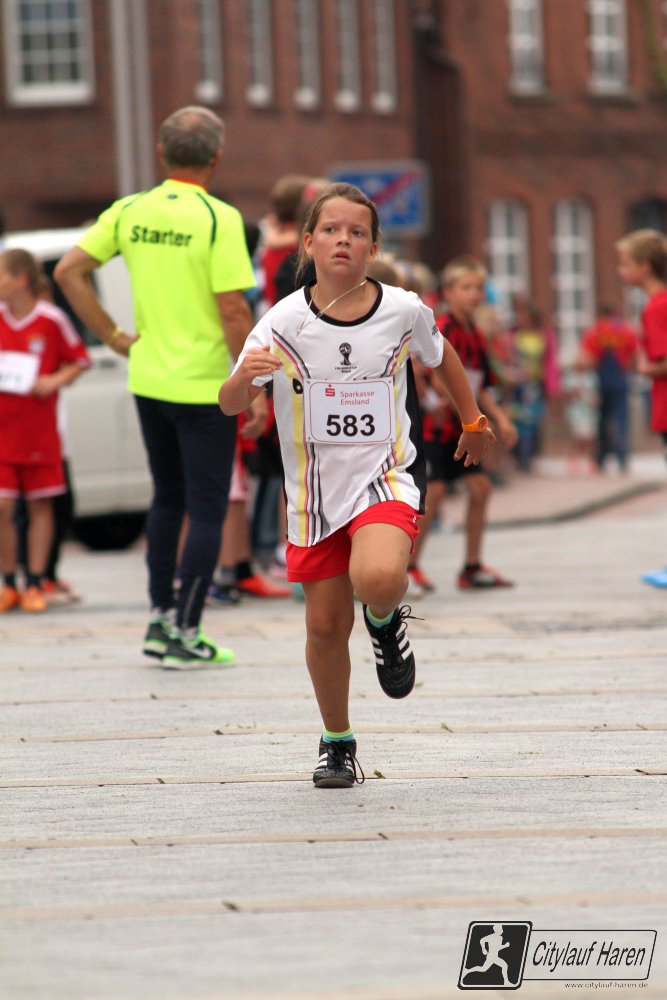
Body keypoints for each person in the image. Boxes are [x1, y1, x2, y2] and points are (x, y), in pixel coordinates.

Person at [218, 183, 494, 788]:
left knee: (379, 577)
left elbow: (442, 357)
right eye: (331, 230)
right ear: (308, 242)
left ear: (373, 246)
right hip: (314, 493)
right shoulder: (283, 320)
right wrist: (244, 379)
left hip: (385, 475)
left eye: (357, 232)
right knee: (323, 628)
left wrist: (473, 420)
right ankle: (337, 742)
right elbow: (230, 401)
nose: (343, 240)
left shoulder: (402, 309)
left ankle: (384, 618)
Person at [54, 106, 260, 667]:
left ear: (162, 153)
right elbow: (234, 309)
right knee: (208, 505)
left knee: (167, 498)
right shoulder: (219, 218)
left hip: (148, 377)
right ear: (217, 156)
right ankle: (187, 632)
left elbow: (68, 271)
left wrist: (112, 336)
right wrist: (252, 386)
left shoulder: (129, 210)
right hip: (206, 385)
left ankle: (159, 619)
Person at [408, 256, 518, 595]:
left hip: (465, 427)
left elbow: (478, 384)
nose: (474, 294)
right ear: (448, 292)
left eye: (478, 288)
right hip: (437, 426)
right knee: (435, 493)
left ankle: (471, 567)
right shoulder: (441, 326)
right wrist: (450, 406)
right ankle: (408, 567)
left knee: (480, 488)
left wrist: (500, 418)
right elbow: (433, 375)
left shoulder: (476, 334)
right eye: (465, 287)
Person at [0, 249, 90, 613]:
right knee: (3, 507)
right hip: (3, 434)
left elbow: (80, 360)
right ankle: (9, 582)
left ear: (20, 279)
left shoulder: (51, 320)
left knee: (40, 505)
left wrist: (54, 379)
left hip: (39, 432)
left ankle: (36, 582)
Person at [615, 228, 667, 588]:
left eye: (625, 263)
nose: (620, 271)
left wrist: (643, 366)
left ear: (645, 266)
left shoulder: (656, 306)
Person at [577, 305, 638, 472]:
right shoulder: (625, 330)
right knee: (621, 419)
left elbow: (587, 357)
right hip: (620, 378)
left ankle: (601, 457)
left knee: (602, 420)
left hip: (602, 381)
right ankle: (622, 457)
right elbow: (634, 352)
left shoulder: (596, 330)